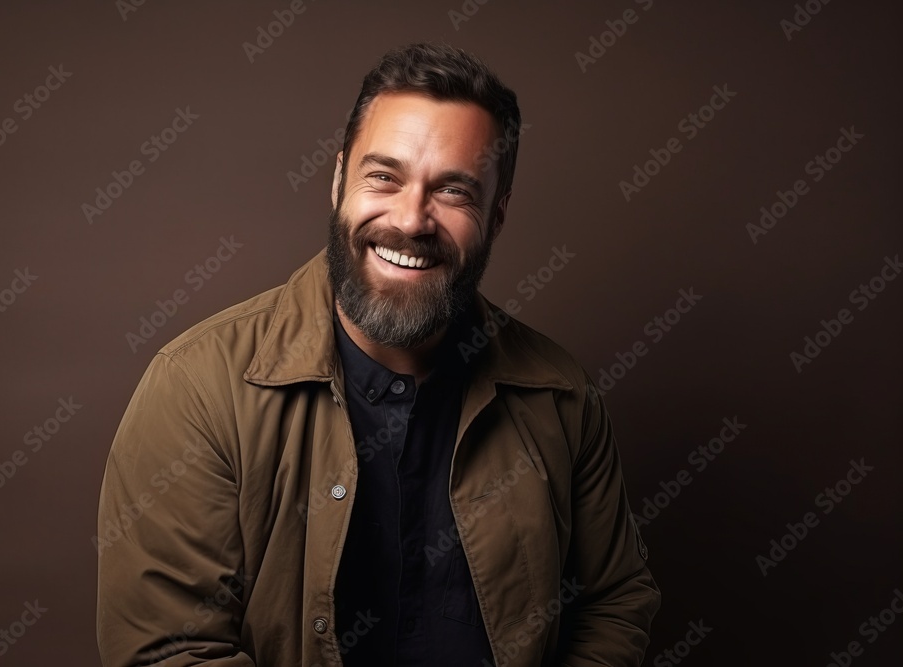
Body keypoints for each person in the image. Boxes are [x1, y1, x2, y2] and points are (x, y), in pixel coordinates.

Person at [96, 41, 660, 667]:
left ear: (496, 218)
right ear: (339, 180)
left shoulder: (560, 396)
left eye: (453, 192)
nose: (412, 220)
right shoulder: (197, 388)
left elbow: (613, 603)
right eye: (384, 177)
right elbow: (169, 652)